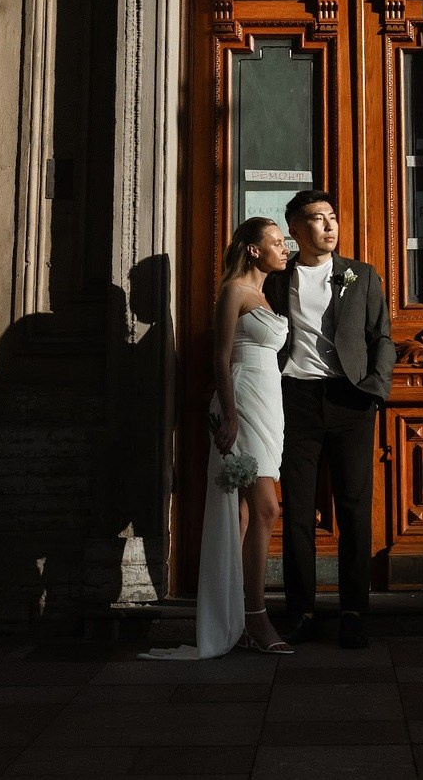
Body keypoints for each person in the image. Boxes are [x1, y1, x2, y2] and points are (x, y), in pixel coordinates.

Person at [141, 216, 292, 659]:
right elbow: (221, 357)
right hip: (241, 401)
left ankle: (237, 618)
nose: (285, 249)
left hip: (269, 403)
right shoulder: (234, 292)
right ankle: (257, 616)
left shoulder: (266, 293)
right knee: (267, 507)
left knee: (245, 513)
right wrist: (228, 415)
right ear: (252, 249)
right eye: (277, 242)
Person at [266, 189, 393, 650]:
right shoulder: (277, 279)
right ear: (295, 231)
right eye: (317, 220)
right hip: (294, 400)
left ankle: (354, 612)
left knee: (355, 509)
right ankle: (300, 612)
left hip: (350, 400)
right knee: (298, 512)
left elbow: (382, 336)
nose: (329, 226)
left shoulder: (360, 276)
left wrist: (375, 389)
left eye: (333, 218)